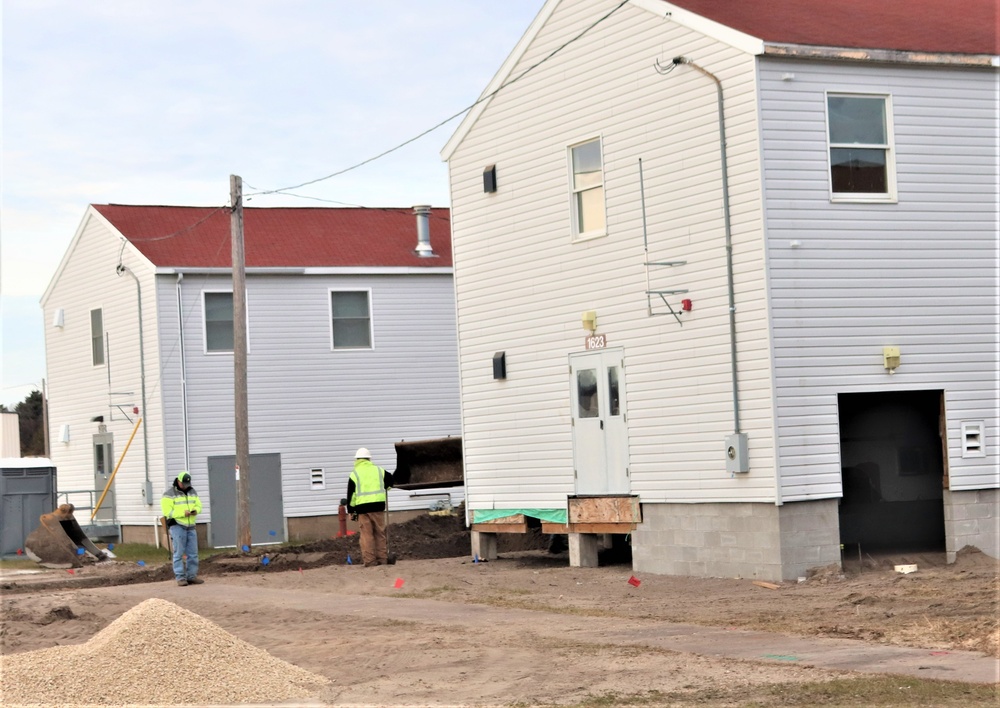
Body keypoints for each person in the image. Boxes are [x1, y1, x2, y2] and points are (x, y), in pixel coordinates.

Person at [345, 448, 394, 567]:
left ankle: (370, 561)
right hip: (378, 507)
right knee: (380, 533)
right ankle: (382, 559)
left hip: (362, 509)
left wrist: (351, 510)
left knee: (367, 535)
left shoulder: (354, 474)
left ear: (357, 460)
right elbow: (390, 482)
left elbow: (351, 496)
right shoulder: (379, 471)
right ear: (369, 458)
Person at [161, 471, 204, 586]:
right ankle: (180, 577)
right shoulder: (168, 494)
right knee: (178, 552)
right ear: (178, 481)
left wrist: (196, 511)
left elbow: (199, 505)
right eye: (184, 483)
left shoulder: (192, 491)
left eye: (187, 484)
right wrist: (182, 513)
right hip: (177, 525)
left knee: (193, 553)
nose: (186, 486)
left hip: (191, 526)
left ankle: (191, 576)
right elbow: (167, 512)